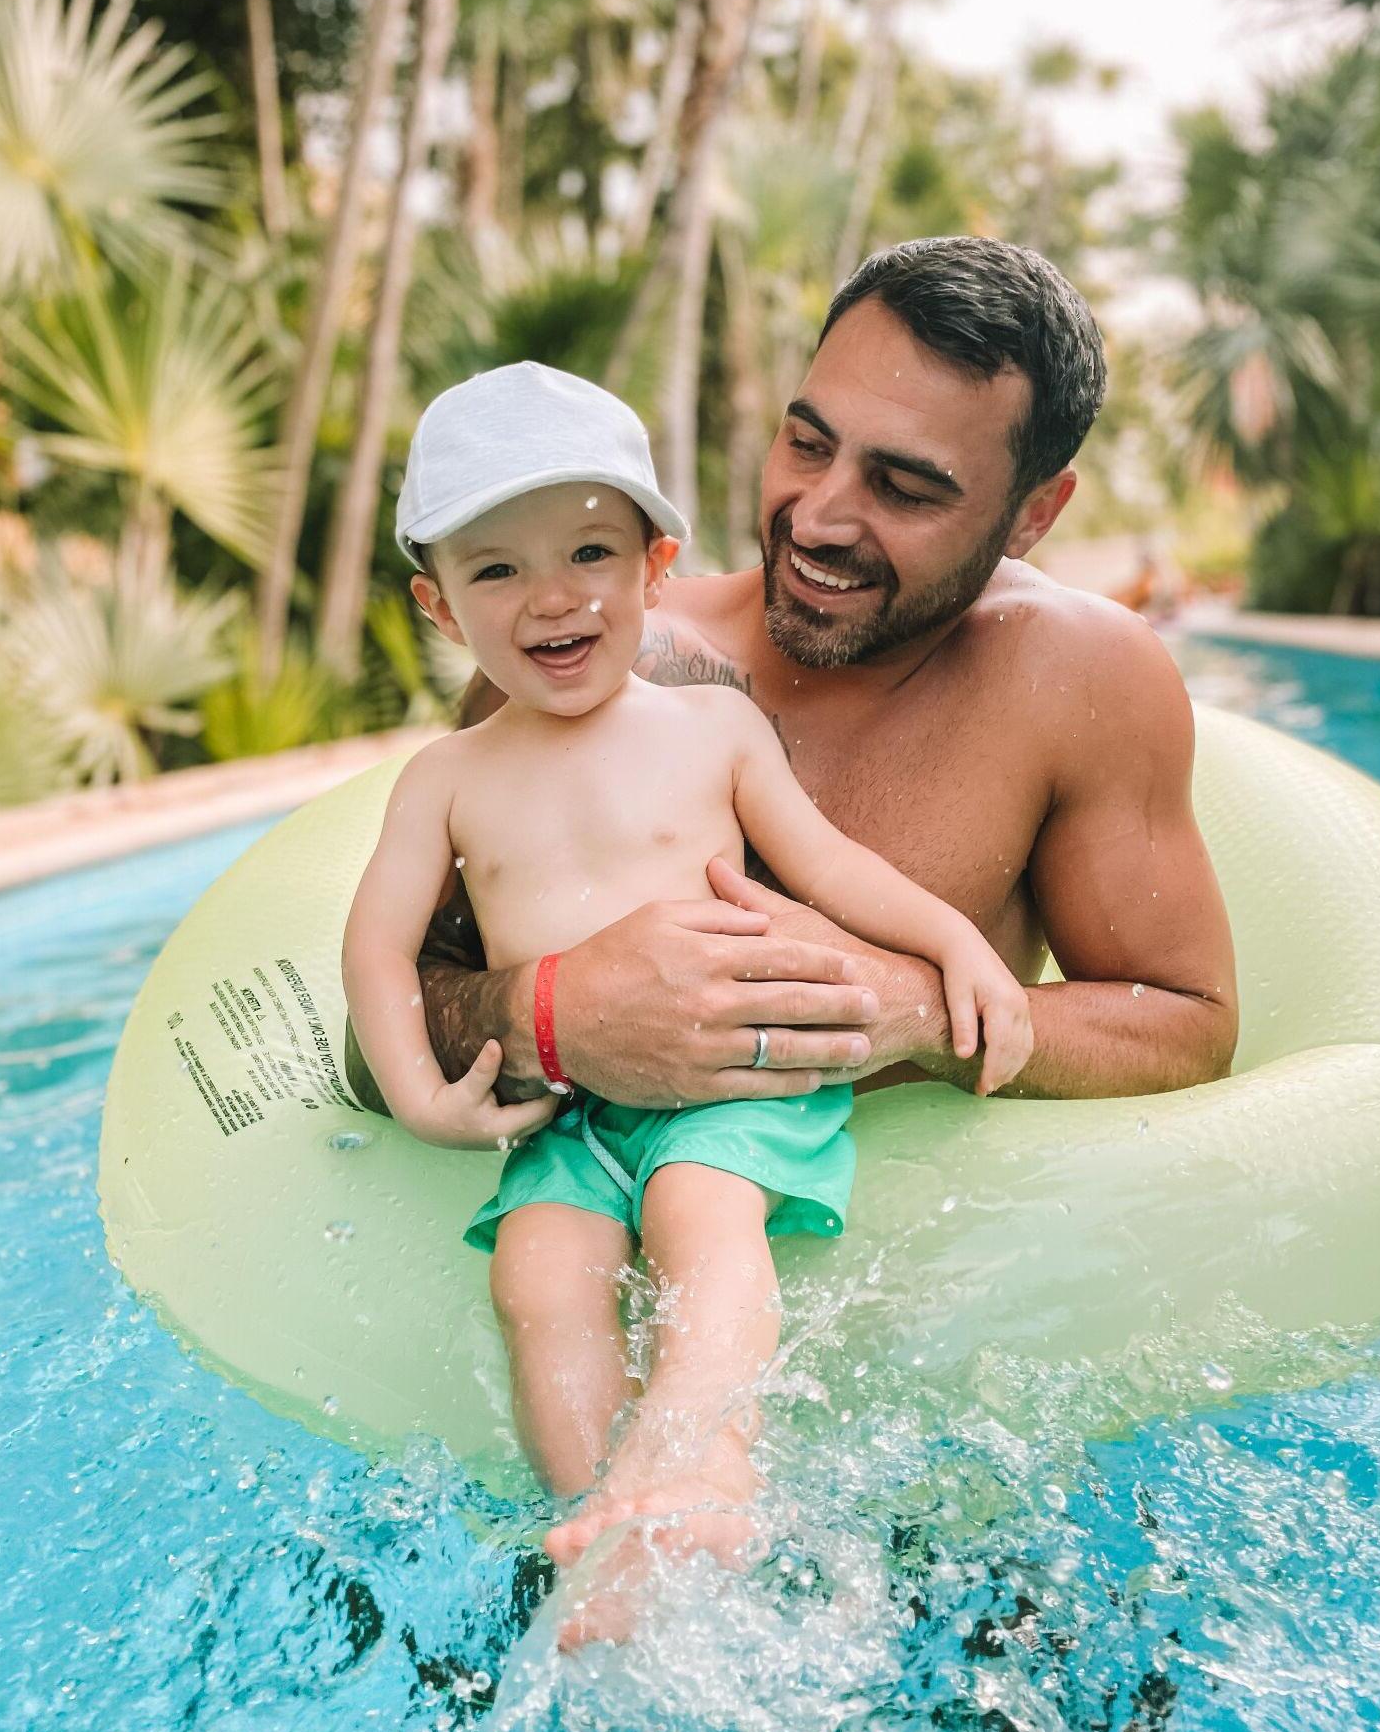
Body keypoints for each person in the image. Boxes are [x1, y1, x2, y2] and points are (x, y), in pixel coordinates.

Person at [343, 363, 1034, 1639]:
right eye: (496, 571)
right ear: (438, 603)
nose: (552, 597)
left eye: (588, 553)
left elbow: (834, 868)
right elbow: (377, 952)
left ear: (655, 565)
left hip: (728, 1090)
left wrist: (957, 948)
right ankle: (605, 1526)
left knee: (696, 1217)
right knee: (538, 1278)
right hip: (570, 1113)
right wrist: (426, 1101)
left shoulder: (714, 731)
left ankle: (701, 1454)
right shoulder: (444, 778)